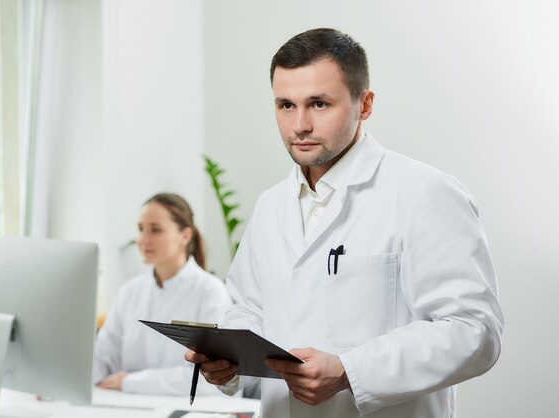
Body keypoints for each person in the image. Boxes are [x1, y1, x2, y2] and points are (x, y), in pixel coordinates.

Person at [185, 28, 504, 417]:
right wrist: (227, 362)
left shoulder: (426, 193)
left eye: (318, 104)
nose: (299, 125)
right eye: (285, 105)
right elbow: (248, 308)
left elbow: (473, 331)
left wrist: (350, 371)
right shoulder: (272, 205)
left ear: (364, 104)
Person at [94, 193, 232, 395]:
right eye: (141, 229)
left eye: (155, 230)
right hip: (129, 407)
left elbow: (208, 380)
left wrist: (129, 382)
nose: (142, 239)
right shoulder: (130, 292)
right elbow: (103, 359)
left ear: (185, 235)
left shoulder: (211, 292)